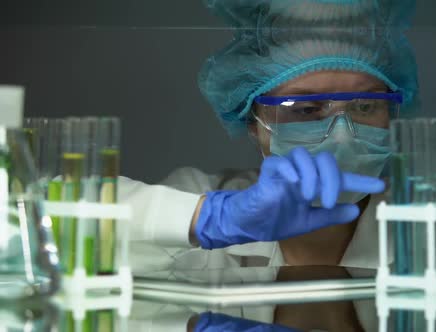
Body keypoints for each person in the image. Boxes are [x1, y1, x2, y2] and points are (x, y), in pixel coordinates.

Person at [122, 0, 418, 272]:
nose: (342, 138)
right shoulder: (194, 194)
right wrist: (213, 219)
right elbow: (83, 224)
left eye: (365, 106)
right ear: (254, 121)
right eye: (305, 109)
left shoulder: (423, 218)